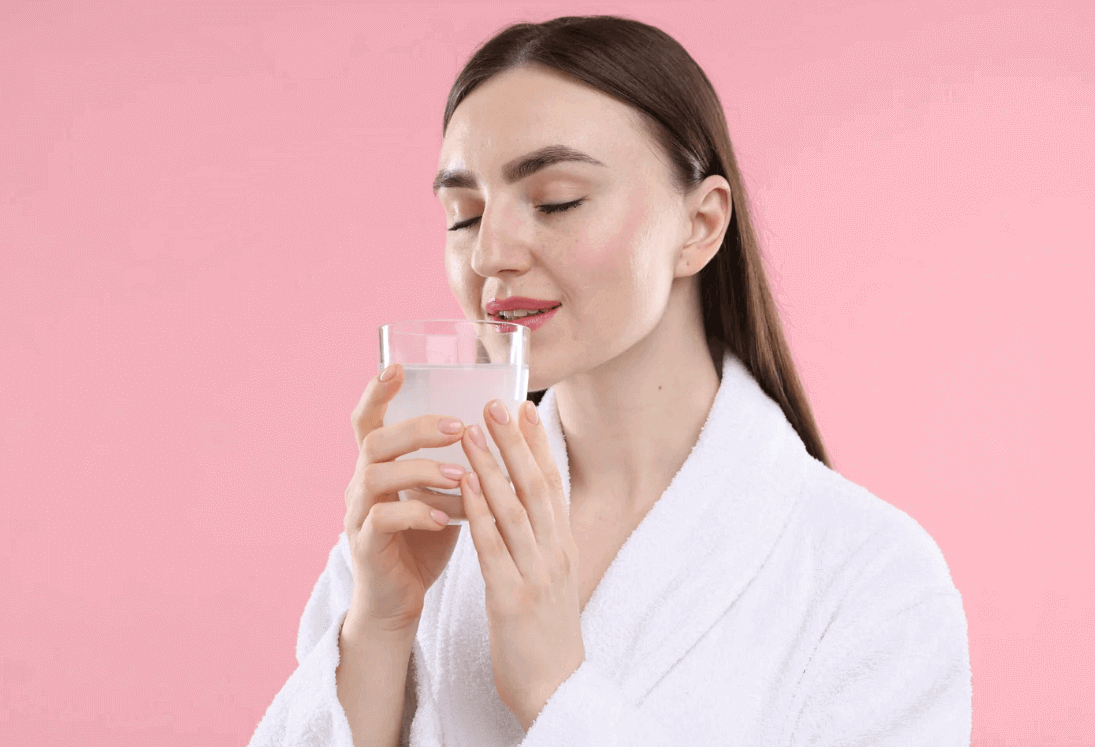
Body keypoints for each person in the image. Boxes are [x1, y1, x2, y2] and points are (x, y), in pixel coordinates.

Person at [248, 15, 971, 747]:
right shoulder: (420, 519)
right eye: (464, 215)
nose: (490, 254)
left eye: (556, 200)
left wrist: (554, 692)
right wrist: (377, 627)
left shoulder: (873, 581)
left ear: (700, 224)